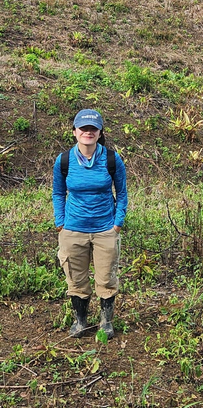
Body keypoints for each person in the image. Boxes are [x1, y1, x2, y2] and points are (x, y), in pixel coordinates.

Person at [52, 108, 127, 339]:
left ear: (99, 132)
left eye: (92, 128)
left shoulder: (112, 159)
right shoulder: (63, 161)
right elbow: (58, 192)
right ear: (74, 131)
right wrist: (60, 222)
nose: (88, 132)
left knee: (106, 278)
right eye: (83, 128)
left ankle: (106, 322)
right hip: (73, 230)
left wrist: (117, 223)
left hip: (105, 230)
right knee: (76, 279)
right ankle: (80, 321)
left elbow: (122, 193)